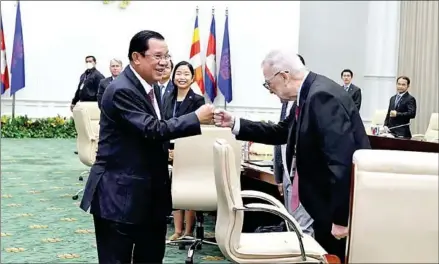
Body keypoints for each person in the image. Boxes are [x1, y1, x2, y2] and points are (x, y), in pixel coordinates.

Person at [214, 50, 370, 262]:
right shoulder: (308, 94)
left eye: (269, 84)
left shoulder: (322, 97)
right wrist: (235, 123)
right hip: (322, 203)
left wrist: (341, 218)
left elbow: (340, 161)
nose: (270, 91)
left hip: (334, 207)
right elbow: (281, 131)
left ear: (284, 76)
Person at [79, 30, 214, 264]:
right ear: (136, 57)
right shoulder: (122, 89)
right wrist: (195, 118)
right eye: (157, 57)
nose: (164, 63)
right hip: (120, 196)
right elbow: (153, 129)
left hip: (149, 196)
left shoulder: (152, 88)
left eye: (167, 56)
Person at [162, 60, 206, 241]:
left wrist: (183, 150)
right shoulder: (166, 98)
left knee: (188, 188)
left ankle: (189, 231)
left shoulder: (197, 100)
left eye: (186, 74)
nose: (182, 77)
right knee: (173, 189)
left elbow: (198, 127)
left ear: (192, 78)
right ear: (173, 76)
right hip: (168, 148)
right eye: (178, 73)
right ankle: (178, 230)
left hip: (189, 149)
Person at [273, 54, 313, 236]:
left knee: (302, 229)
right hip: (288, 174)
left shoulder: (311, 100)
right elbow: (280, 137)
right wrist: (279, 176)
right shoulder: (287, 102)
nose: (271, 89)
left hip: (303, 175)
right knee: (292, 224)